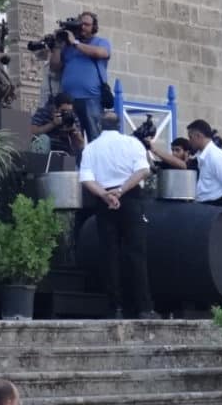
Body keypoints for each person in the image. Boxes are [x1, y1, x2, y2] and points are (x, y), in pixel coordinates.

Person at [78, 111, 154, 319]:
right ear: (119, 125)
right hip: (130, 197)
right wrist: (121, 191)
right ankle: (144, 307)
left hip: (104, 201)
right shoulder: (132, 144)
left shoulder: (91, 148)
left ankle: (115, 308)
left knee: (109, 254)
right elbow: (143, 171)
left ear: (100, 125)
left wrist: (105, 195)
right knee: (136, 253)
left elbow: (86, 179)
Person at [49, 11, 111, 141]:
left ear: (94, 28)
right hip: (69, 102)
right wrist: (58, 47)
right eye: (80, 24)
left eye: (87, 25)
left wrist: (75, 43)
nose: (82, 27)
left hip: (91, 99)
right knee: (72, 138)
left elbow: (100, 53)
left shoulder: (100, 42)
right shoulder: (68, 46)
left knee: (95, 138)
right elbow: (54, 67)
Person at [30, 92, 85, 161]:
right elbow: (32, 131)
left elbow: (81, 145)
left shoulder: (72, 117)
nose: (67, 114)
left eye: (69, 111)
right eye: (64, 111)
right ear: (55, 108)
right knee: (44, 138)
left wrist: (75, 132)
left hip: (64, 151)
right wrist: (53, 124)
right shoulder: (43, 112)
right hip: (46, 149)